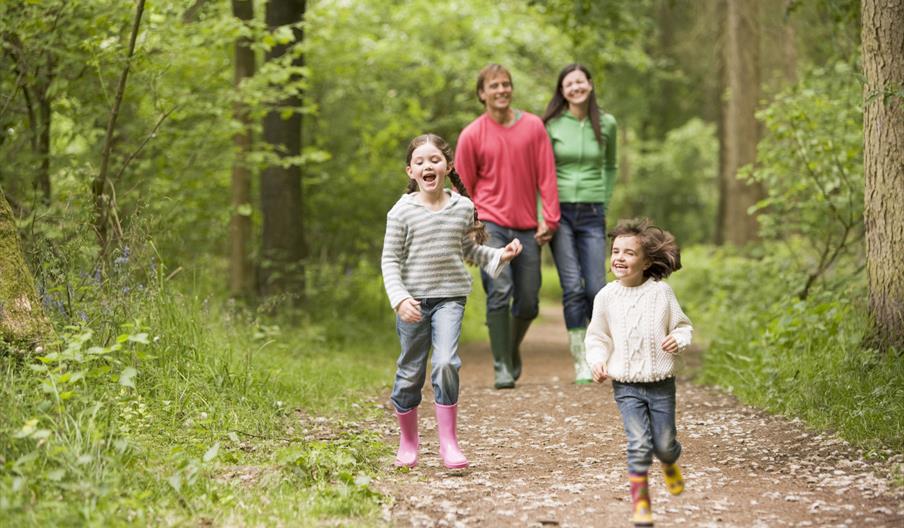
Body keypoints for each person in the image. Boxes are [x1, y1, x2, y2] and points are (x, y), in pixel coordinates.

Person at [381, 133, 523, 469]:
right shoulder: (401, 212)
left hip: (450, 298)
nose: (427, 165)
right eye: (420, 162)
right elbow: (389, 260)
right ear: (410, 171)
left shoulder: (463, 207)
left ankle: (448, 443)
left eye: (434, 160)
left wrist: (500, 255)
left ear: (446, 166)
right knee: (410, 372)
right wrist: (400, 299)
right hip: (412, 302)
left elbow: (469, 250)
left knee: (446, 363)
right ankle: (409, 442)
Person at [455, 63, 560, 389]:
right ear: (482, 94)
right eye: (494, 85)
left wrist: (550, 218)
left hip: (527, 226)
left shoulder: (533, 127)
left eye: (506, 84)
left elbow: (547, 174)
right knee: (500, 291)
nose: (501, 90)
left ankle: (509, 349)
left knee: (529, 300)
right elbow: (462, 188)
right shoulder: (472, 134)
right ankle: (501, 365)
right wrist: (468, 230)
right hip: (490, 226)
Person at [585, 218, 691, 527]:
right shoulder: (606, 296)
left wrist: (678, 339)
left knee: (664, 444)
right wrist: (597, 361)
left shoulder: (661, 293)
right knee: (638, 443)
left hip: (661, 384)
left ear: (646, 261)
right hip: (626, 385)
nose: (619, 258)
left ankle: (670, 461)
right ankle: (641, 502)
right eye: (615, 251)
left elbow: (683, 326)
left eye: (629, 253)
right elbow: (598, 336)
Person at [541, 63, 618, 385]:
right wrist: (543, 213)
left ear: (590, 84)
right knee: (572, 287)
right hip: (560, 214)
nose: (575, 88)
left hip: (592, 212)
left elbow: (610, 165)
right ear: (562, 91)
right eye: (568, 84)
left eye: (580, 82)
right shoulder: (552, 125)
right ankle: (581, 361)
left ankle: (599, 353)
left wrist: (604, 198)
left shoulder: (608, 123)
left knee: (596, 288)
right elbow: (542, 171)